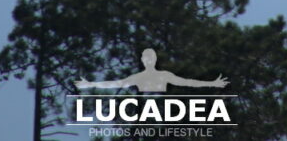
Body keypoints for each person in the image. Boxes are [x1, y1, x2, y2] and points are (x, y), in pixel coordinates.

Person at [75, 49, 228, 93]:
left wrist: (212, 83)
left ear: (154, 60)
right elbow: (115, 83)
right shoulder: (137, 77)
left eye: (151, 57)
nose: (148, 60)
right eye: (145, 58)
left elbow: (188, 82)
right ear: (142, 61)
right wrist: (90, 84)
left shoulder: (164, 75)